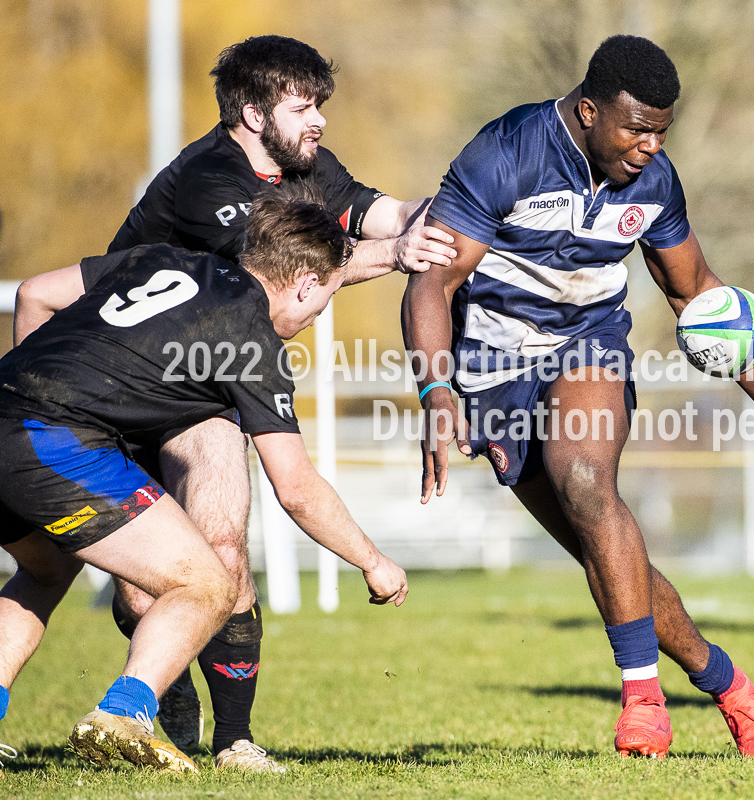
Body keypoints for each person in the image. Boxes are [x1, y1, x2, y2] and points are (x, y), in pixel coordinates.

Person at [14, 35, 455, 772]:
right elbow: (290, 276)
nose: (318, 120)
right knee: (142, 589)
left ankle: (233, 740)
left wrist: (456, 211)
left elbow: (382, 213)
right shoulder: (208, 186)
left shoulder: (302, 162)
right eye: (303, 105)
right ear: (253, 113)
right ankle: (156, 695)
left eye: (320, 105)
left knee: (221, 551)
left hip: (201, 389)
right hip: (125, 386)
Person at [403, 35, 754, 759]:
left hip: (588, 344)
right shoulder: (506, 152)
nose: (648, 147)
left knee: (586, 481)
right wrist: (435, 388)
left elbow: (694, 291)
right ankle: (730, 687)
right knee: (601, 550)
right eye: (635, 128)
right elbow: (434, 279)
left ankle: (642, 702)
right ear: (586, 111)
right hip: (490, 368)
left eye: (660, 133)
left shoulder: (654, 181)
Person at [0, 190, 408, 773]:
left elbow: (36, 291)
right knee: (208, 585)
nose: (318, 316)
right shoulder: (253, 341)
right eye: (325, 300)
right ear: (304, 283)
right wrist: (373, 561)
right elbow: (294, 485)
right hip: (48, 437)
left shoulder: (165, 259)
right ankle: (126, 710)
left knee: (46, 570)